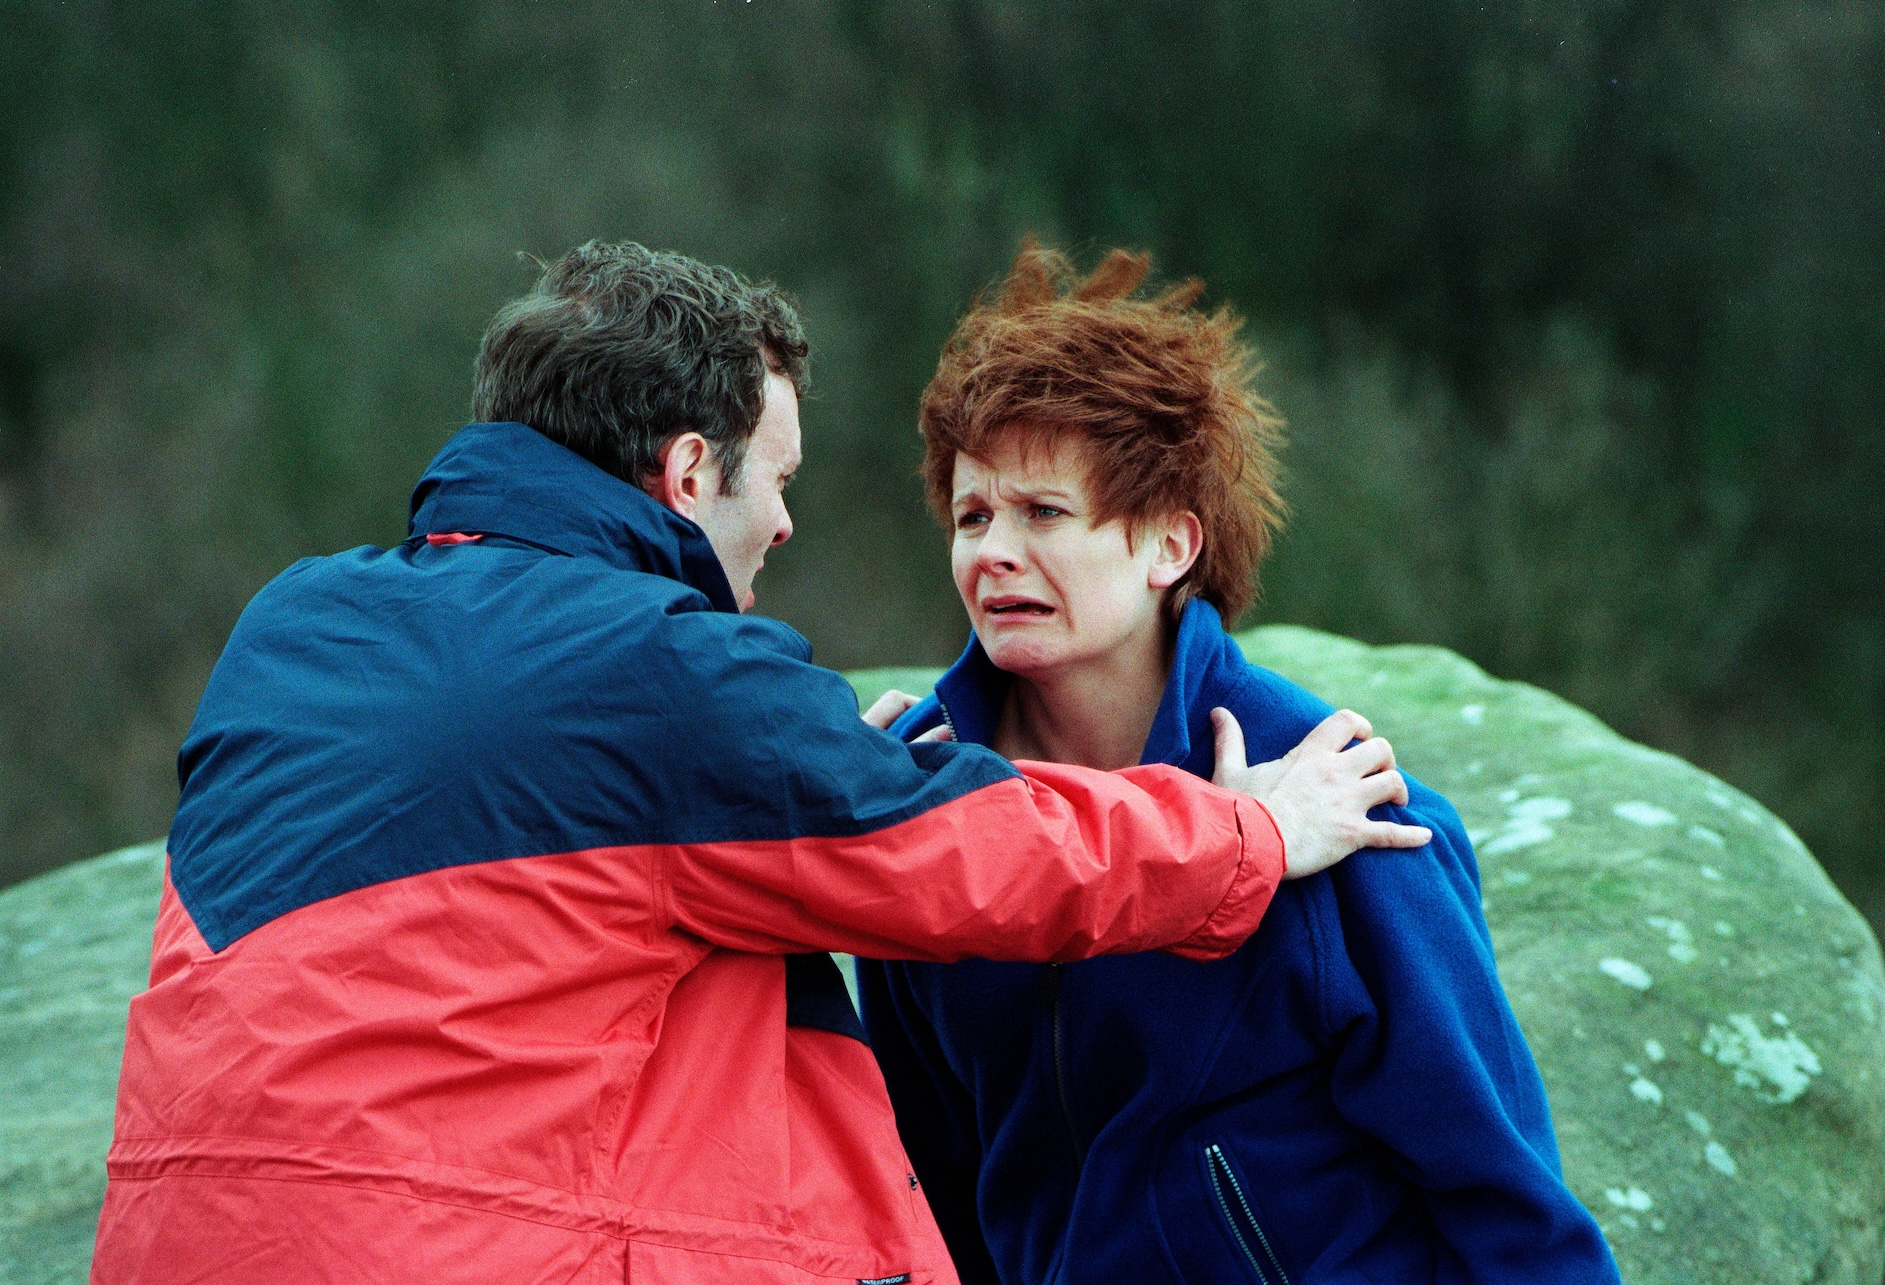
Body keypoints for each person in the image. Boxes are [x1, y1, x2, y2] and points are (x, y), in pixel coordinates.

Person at [90, 241, 1431, 1285]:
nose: (786, 523)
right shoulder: (660, 670)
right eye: (773, 479)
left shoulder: (294, 621)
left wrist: (772, 779)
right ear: (688, 474)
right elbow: (971, 856)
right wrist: (1251, 831)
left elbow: (517, 869)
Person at [858, 245, 1622, 1284]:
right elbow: (932, 1189)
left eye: (1044, 513)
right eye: (972, 515)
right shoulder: (915, 806)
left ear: (1171, 545)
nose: (991, 552)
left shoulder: (1356, 808)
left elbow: (1507, 1198)